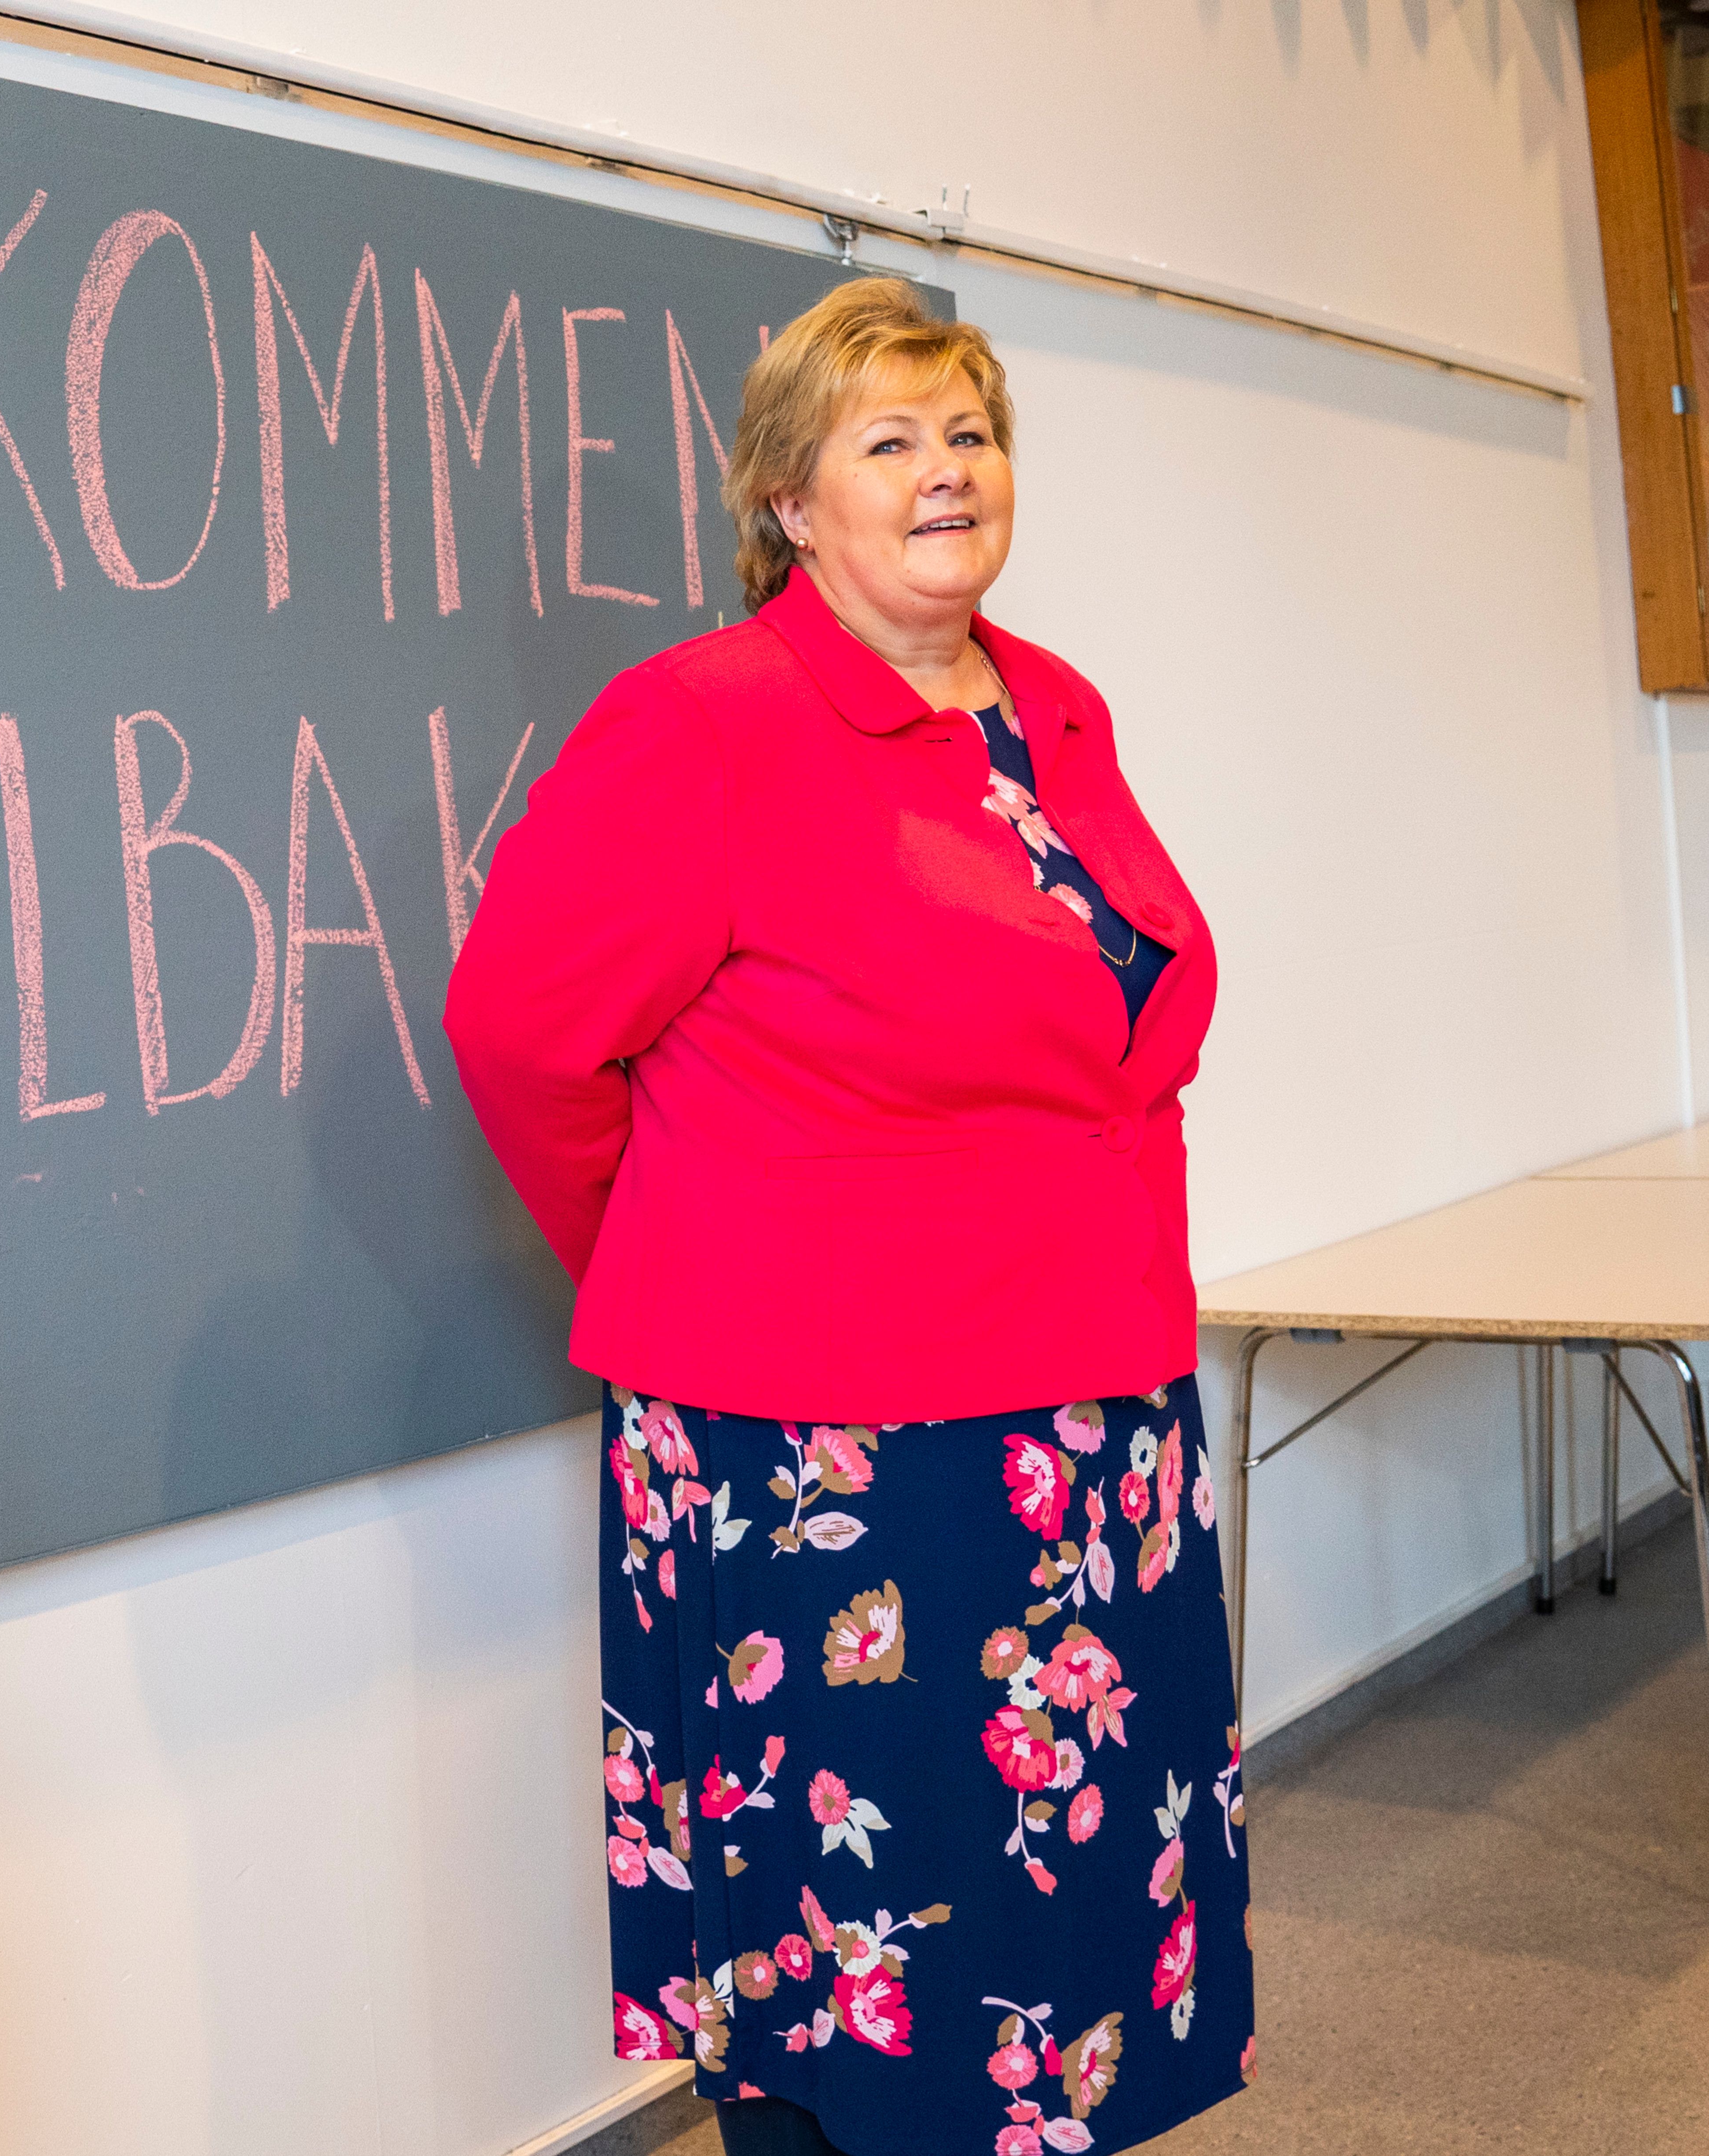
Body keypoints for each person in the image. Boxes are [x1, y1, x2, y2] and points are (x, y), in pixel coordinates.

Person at [444, 278, 1250, 2156]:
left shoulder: (1052, 705)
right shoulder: (703, 723)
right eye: (887, 440)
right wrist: (691, 1256)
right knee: (877, 1939)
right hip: (836, 1445)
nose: (945, 468)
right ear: (789, 504)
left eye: (968, 431)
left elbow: (1103, 1024)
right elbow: (521, 1035)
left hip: (1088, 1406)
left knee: (1061, 1918)